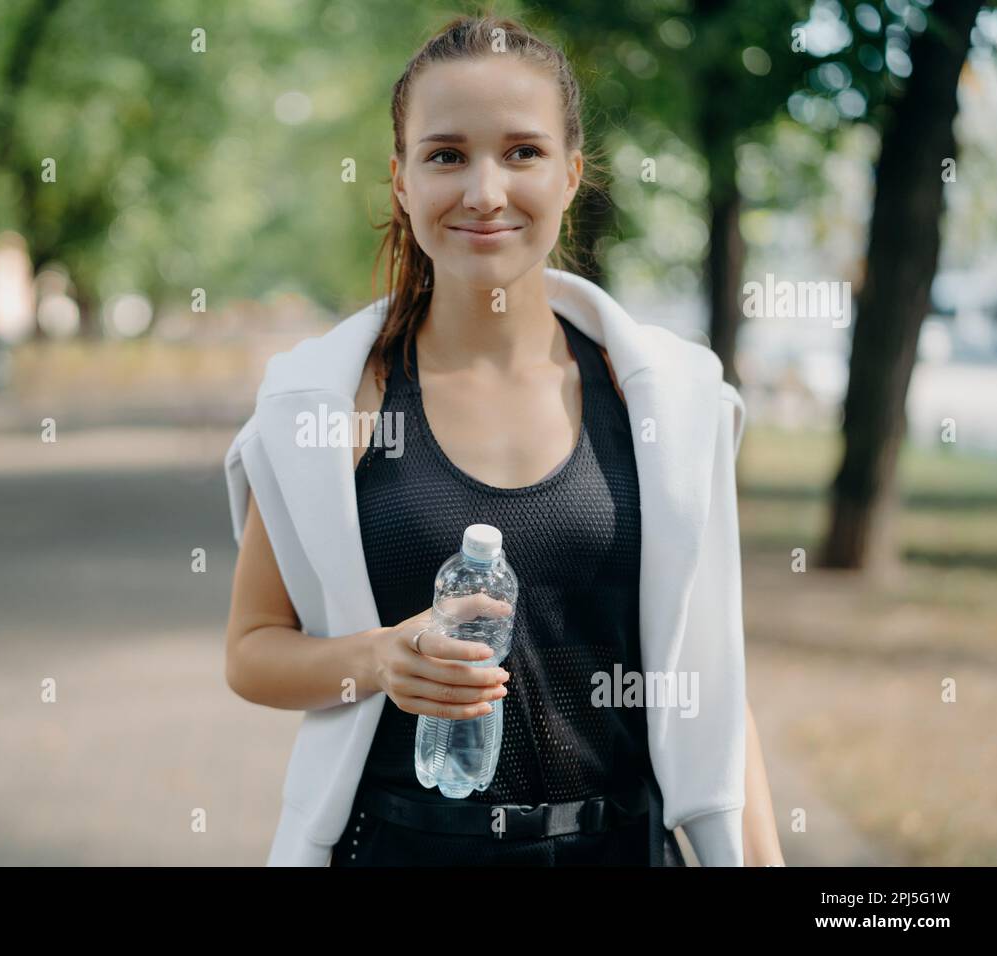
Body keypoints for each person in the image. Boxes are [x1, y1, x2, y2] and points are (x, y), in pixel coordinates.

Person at [224, 12, 785, 867]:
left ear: (570, 175)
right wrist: (378, 660)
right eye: (446, 154)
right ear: (402, 181)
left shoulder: (667, 402)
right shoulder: (331, 403)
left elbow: (712, 680)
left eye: (522, 152)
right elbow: (253, 652)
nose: (485, 191)